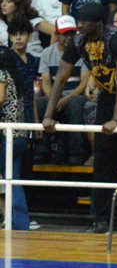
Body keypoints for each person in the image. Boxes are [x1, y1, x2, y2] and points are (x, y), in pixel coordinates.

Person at [43, 1, 117, 234]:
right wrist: (47, 115)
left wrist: (115, 119)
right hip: (108, 95)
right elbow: (61, 77)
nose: (79, 26)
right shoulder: (79, 40)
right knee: (103, 156)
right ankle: (101, 219)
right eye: (78, 22)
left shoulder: (116, 37)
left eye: (84, 22)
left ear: (97, 23)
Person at [37, 16, 91, 166]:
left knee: (73, 103)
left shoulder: (83, 52)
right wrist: (54, 100)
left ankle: (77, 152)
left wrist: (63, 100)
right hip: (56, 95)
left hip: (75, 95)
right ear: (57, 34)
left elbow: (84, 83)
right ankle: (41, 150)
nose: (68, 37)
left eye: (72, 33)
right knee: (41, 102)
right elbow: (46, 82)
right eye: (65, 33)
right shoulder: (47, 53)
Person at [0, 43, 28, 230]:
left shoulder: (1, 74)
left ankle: (13, 220)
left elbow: (0, 99)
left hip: (8, 136)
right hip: (20, 134)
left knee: (10, 180)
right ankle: (18, 221)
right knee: (14, 180)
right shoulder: (15, 77)